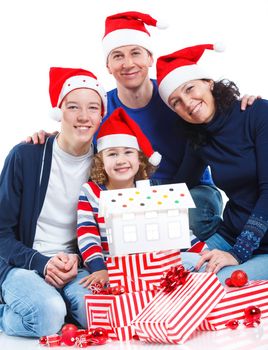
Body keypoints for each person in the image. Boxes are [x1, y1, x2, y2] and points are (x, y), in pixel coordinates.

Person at [28, 12, 258, 242]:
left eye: (136, 53)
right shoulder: (100, 108)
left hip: (190, 189)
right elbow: (78, 130)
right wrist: (51, 137)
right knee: (104, 222)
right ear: (108, 66)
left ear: (150, 58)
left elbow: (212, 111)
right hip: (129, 194)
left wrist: (241, 106)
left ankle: (212, 249)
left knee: (191, 217)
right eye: (118, 56)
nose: (128, 64)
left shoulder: (175, 97)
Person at [0, 67, 107, 337]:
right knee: (46, 316)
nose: (84, 117)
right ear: (60, 112)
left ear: (101, 114)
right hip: (21, 262)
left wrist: (78, 263)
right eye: (73, 107)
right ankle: (11, 309)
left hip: (76, 266)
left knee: (103, 316)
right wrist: (42, 263)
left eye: (93, 108)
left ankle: (61, 305)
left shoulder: (106, 165)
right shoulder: (26, 156)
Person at [155, 43, 268, 284]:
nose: (187, 102)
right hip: (231, 233)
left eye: (190, 88)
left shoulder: (258, 113)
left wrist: (238, 253)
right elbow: (180, 186)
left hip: (261, 243)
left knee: (214, 286)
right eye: (175, 102)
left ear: (208, 82)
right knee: (171, 274)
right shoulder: (200, 137)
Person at [77, 107, 160, 288]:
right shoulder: (91, 192)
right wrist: (99, 268)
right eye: (112, 154)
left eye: (128, 152)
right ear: (101, 161)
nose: (121, 160)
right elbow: (87, 235)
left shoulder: (148, 190)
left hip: (149, 266)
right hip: (110, 267)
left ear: (139, 159)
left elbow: (171, 226)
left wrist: (203, 251)